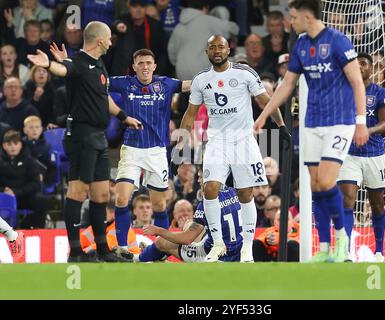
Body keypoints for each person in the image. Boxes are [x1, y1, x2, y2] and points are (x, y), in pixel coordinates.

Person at [254, 0, 369, 263]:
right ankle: (326, 247)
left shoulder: (338, 41)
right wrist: (263, 115)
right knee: (315, 186)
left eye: (293, 17)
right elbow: (287, 85)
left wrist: (360, 121)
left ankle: (342, 239)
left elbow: (356, 82)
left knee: (327, 182)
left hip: (339, 121)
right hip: (311, 123)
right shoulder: (301, 45)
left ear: (307, 17)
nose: (289, 22)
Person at [27, 21, 142, 263]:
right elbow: (64, 71)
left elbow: (104, 98)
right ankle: (76, 252)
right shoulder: (79, 62)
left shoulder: (98, 65)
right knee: (78, 192)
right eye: (109, 38)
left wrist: (124, 117)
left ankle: (102, 250)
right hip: (81, 136)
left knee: (101, 195)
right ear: (100, 40)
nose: (111, 42)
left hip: (98, 137)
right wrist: (49, 64)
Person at [172, 34, 291, 262]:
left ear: (229, 50)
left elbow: (267, 100)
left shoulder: (244, 73)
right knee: (210, 188)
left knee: (246, 194)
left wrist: (282, 126)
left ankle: (247, 248)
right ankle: (217, 243)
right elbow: (190, 115)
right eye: (212, 47)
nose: (217, 50)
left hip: (243, 140)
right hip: (216, 142)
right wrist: (179, 147)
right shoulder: (200, 80)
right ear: (207, 52)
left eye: (221, 47)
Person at [106, 48, 191, 257]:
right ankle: (123, 248)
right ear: (134, 67)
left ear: (154, 66)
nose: (144, 67)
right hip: (131, 150)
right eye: (140, 63)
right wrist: (69, 63)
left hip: (157, 152)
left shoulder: (166, 84)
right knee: (121, 198)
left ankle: (161, 248)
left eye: (148, 63)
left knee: (159, 204)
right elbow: (95, 81)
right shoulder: (125, 83)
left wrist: (220, 77)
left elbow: (192, 84)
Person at [337, 53, 385, 262]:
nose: (360, 67)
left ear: (371, 68)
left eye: (364, 64)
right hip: (349, 155)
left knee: (377, 204)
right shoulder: (343, 93)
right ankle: (346, 251)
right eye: (356, 64)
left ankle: (379, 251)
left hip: (375, 155)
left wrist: (367, 131)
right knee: (347, 201)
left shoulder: (379, 92)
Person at [137, 167, 243, 263]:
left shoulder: (208, 203)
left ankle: (136, 259)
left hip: (213, 255)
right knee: (192, 227)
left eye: (201, 177)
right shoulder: (233, 192)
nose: (198, 181)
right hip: (238, 252)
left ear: (208, 179)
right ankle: (161, 258)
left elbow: (186, 239)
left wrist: (158, 230)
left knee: (161, 241)